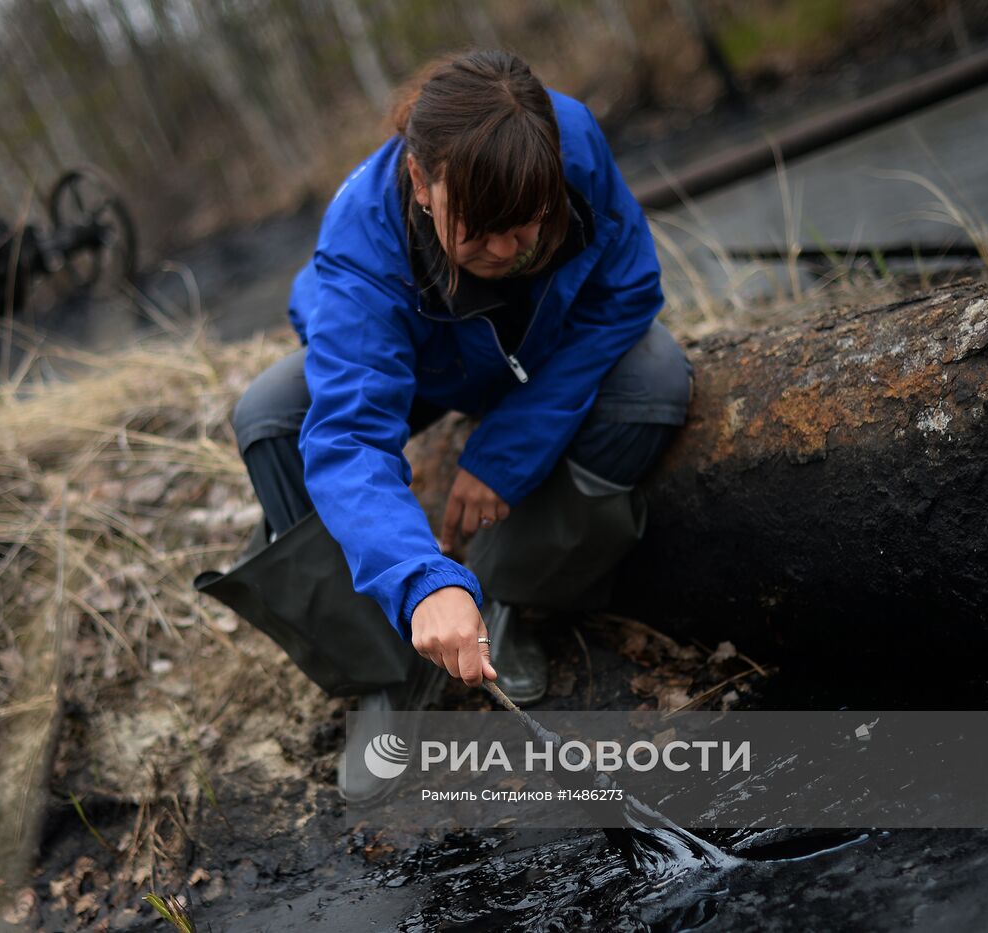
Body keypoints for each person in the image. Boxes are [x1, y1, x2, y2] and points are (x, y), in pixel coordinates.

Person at [195, 49, 692, 803]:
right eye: (480, 231)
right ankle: (388, 667)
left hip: (534, 350)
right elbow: (352, 439)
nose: (504, 250)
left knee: (657, 377)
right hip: (418, 364)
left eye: (525, 228)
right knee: (270, 416)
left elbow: (625, 292)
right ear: (422, 184)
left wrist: (506, 452)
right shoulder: (360, 240)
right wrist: (421, 579)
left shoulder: (571, 142)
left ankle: (503, 593)